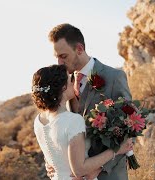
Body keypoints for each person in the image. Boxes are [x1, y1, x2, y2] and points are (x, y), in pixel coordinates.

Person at [47, 24, 132, 180]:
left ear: (79, 49)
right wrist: (56, 161)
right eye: (57, 57)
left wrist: (98, 168)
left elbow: (128, 130)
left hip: (109, 175)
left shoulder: (114, 77)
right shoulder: (64, 84)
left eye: (63, 56)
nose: (59, 63)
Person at [32, 64, 133, 180]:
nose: (72, 83)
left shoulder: (38, 121)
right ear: (63, 87)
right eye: (70, 80)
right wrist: (116, 150)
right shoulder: (73, 121)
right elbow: (79, 170)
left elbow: (55, 153)